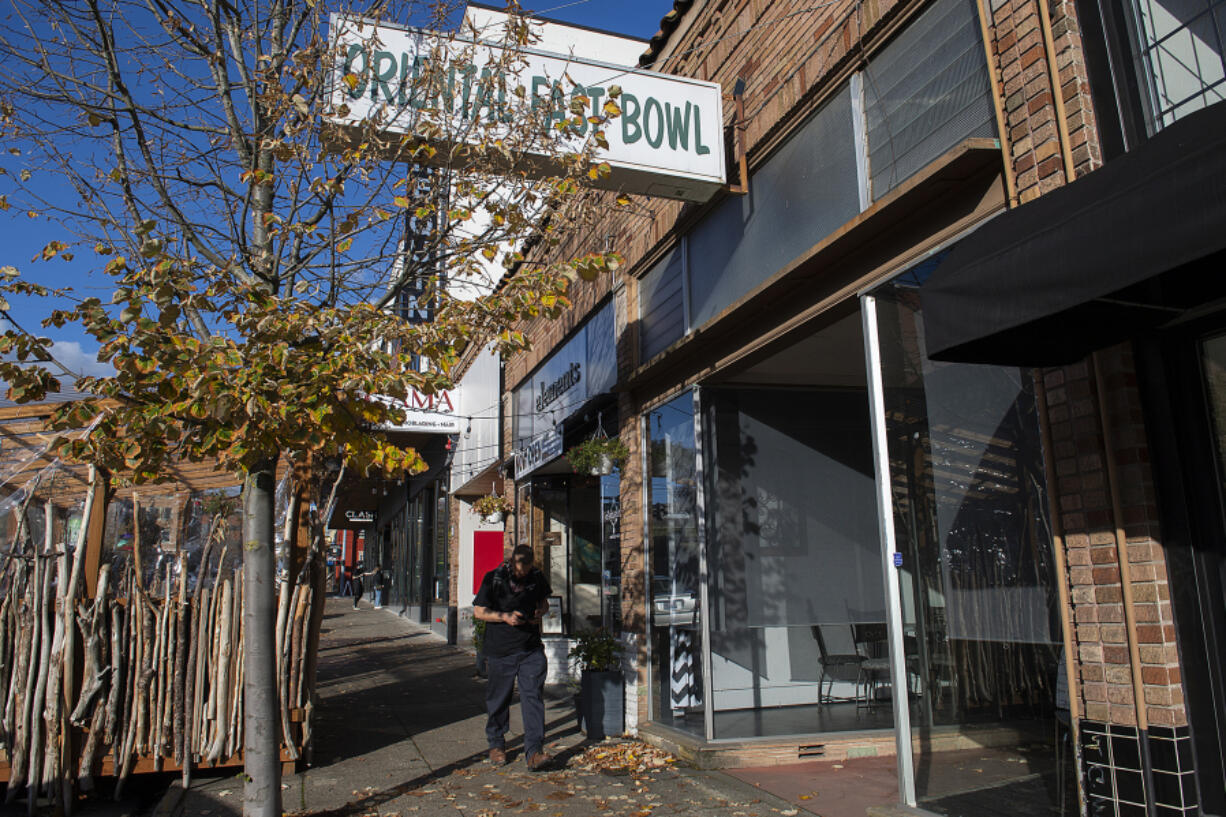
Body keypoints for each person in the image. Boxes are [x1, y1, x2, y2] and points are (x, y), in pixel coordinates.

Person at [472, 544, 553, 770]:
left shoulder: (536, 577)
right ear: (512, 563)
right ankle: (497, 744)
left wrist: (540, 613)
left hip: (530, 648)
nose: (523, 574)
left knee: (533, 697)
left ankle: (534, 751)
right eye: (520, 570)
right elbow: (479, 611)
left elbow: (544, 602)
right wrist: (504, 617)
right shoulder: (493, 578)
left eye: (527, 569)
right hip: (500, 650)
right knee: (499, 699)